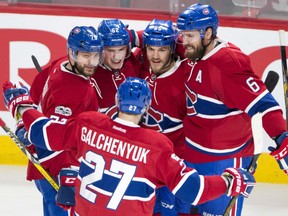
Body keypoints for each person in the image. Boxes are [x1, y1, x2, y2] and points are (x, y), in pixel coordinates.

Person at [3, 77, 255, 216]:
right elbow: (193, 190)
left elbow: (41, 133)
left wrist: (21, 106)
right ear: (146, 108)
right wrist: (230, 181)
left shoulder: (88, 124)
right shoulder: (156, 145)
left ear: (116, 101)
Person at [174, 3, 288, 216]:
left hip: (223, 161)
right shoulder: (193, 50)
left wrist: (282, 138)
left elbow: (264, 105)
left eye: (189, 36)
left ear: (208, 33)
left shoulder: (228, 63)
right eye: (183, 35)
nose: (183, 42)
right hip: (190, 154)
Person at [13, 26, 104, 216]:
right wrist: (68, 174)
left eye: (96, 56)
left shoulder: (60, 63)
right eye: (85, 56)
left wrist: (25, 124)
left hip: (46, 168)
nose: (91, 63)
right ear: (71, 52)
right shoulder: (72, 91)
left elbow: (34, 95)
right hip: (59, 172)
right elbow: (55, 140)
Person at [136, 18, 192, 216]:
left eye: (162, 50)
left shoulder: (187, 74)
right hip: (145, 163)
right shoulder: (139, 66)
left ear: (172, 49)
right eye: (151, 49)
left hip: (175, 164)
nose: (156, 56)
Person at [92, 18, 143, 117]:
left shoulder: (134, 61)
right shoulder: (90, 72)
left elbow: (163, 38)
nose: (117, 57)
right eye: (110, 51)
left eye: (121, 49)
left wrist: (133, 35)